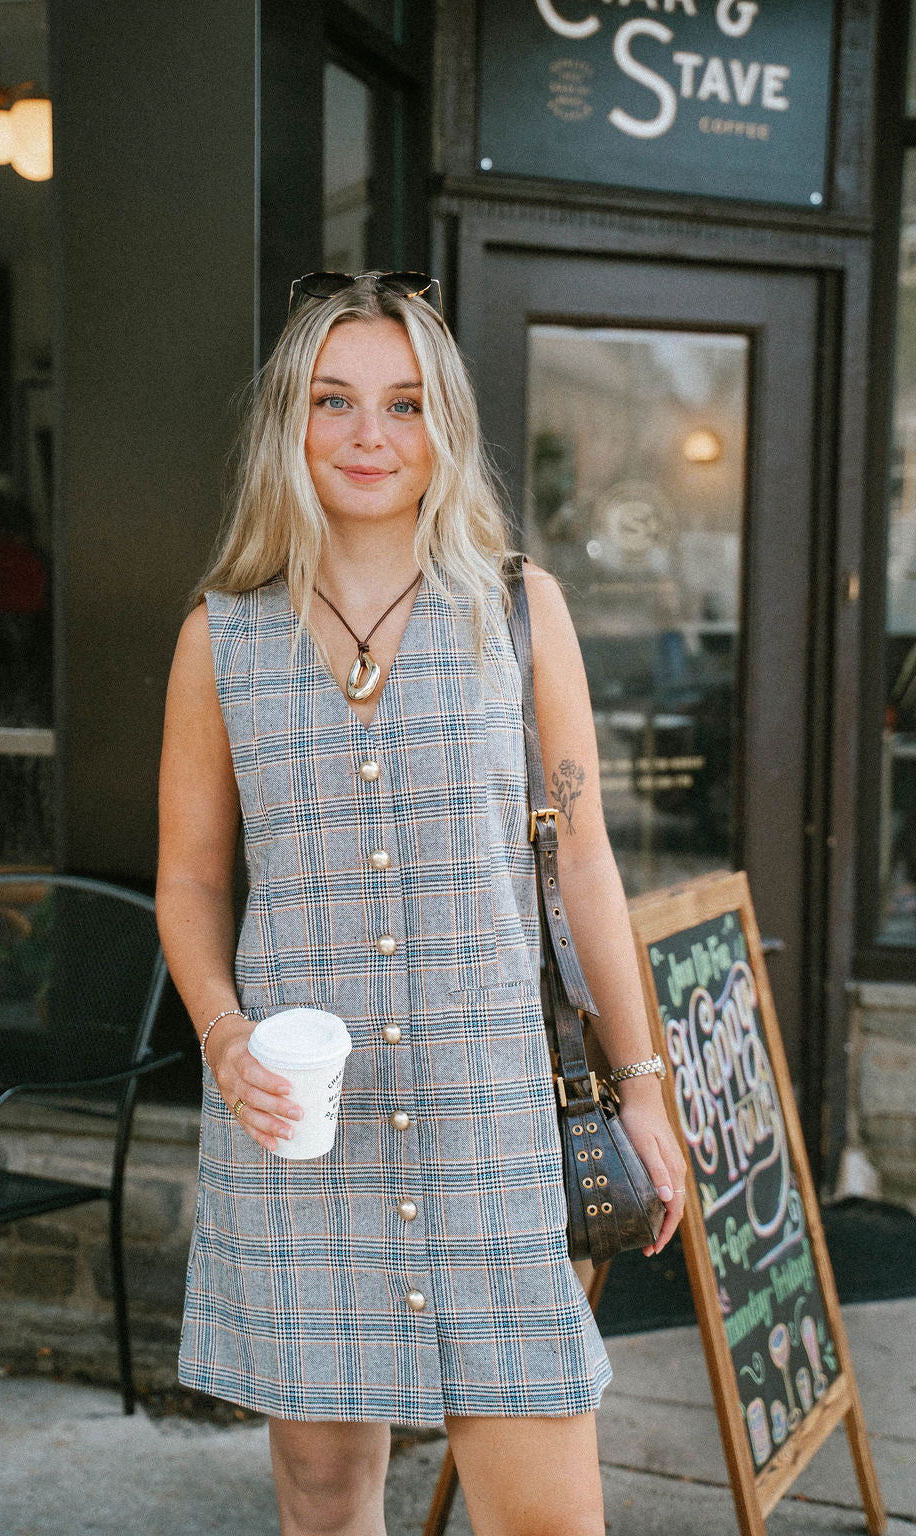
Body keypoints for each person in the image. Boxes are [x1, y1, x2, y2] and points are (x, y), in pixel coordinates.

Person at [156, 271, 686, 1536]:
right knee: (325, 1501)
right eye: (333, 401)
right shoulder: (220, 637)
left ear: (443, 426)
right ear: (289, 422)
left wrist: (644, 1086)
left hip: (489, 1127)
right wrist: (224, 1037)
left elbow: (584, 863)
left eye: (403, 405)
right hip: (302, 1137)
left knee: (547, 1519)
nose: (367, 437)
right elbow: (189, 880)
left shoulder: (517, 607)